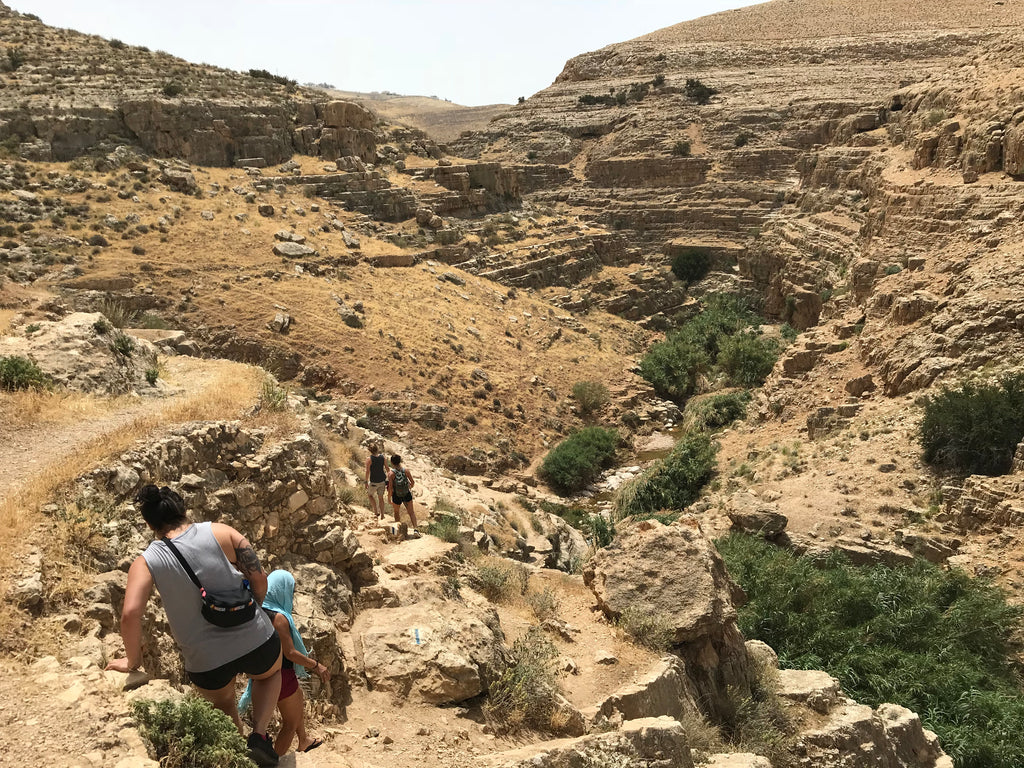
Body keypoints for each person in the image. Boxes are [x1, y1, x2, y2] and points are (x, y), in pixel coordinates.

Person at [105, 485, 283, 768]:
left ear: (150, 524)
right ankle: (259, 735)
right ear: (183, 510)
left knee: (224, 706)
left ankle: (238, 755)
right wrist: (257, 612)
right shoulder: (222, 532)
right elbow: (259, 579)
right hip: (255, 639)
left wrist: (133, 661)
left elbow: (130, 613)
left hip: (206, 661)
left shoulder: (146, 561)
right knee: (269, 674)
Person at [240, 570, 330, 755]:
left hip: (260, 674)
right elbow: (290, 653)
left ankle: (304, 740)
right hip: (282, 676)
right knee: (290, 723)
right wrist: (316, 665)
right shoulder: (279, 618)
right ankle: (276, 760)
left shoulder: (257, 610)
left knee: (298, 698)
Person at [387, 453, 418, 530]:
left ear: (391, 462)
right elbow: (412, 482)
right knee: (411, 513)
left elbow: (390, 488)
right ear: (400, 461)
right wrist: (409, 487)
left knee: (396, 513)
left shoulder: (391, 474)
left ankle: (398, 532)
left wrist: (389, 498)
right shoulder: (406, 471)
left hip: (396, 495)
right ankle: (416, 530)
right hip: (406, 494)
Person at [364, 441, 388, 520]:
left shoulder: (369, 459)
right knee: (381, 498)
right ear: (377, 449)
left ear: (370, 450)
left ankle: (376, 511)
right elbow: (387, 468)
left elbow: (367, 471)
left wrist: (366, 482)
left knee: (370, 495)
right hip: (382, 480)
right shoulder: (383, 457)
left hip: (374, 481)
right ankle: (382, 515)